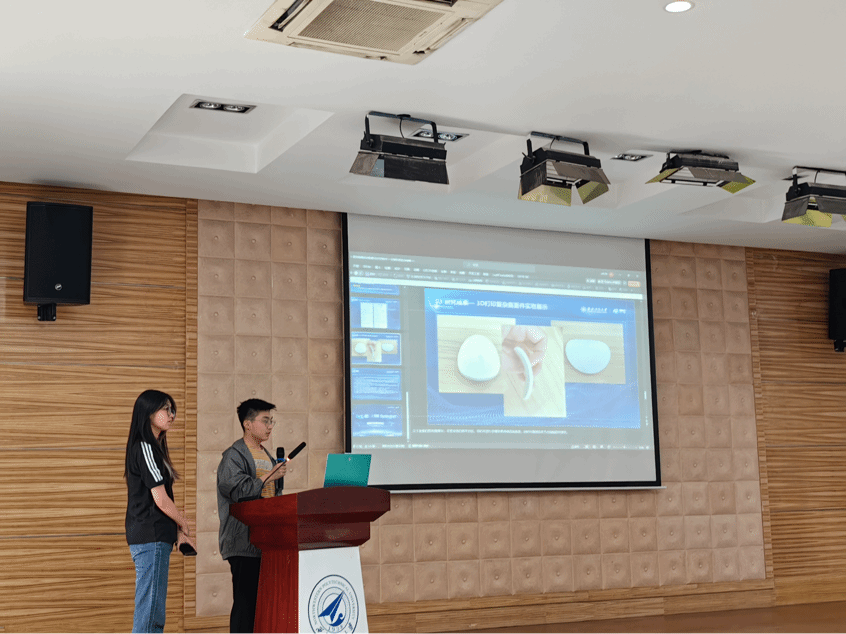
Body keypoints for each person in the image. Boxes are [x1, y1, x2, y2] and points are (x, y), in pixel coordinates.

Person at [124, 389, 196, 634]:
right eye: (166, 409)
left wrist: (176, 529)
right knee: (150, 615)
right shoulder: (145, 447)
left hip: (155, 537)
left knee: (153, 612)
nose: (172, 415)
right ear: (148, 412)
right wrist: (184, 523)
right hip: (150, 536)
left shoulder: (154, 448)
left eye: (172, 409)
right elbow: (161, 499)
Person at [217, 398, 289, 634]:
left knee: (264, 606)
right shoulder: (233, 456)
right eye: (265, 421)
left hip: (266, 541)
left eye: (272, 421)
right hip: (243, 542)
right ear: (247, 424)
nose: (270, 426)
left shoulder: (267, 456)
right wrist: (269, 476)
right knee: (245, 605)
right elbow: (239, 491)